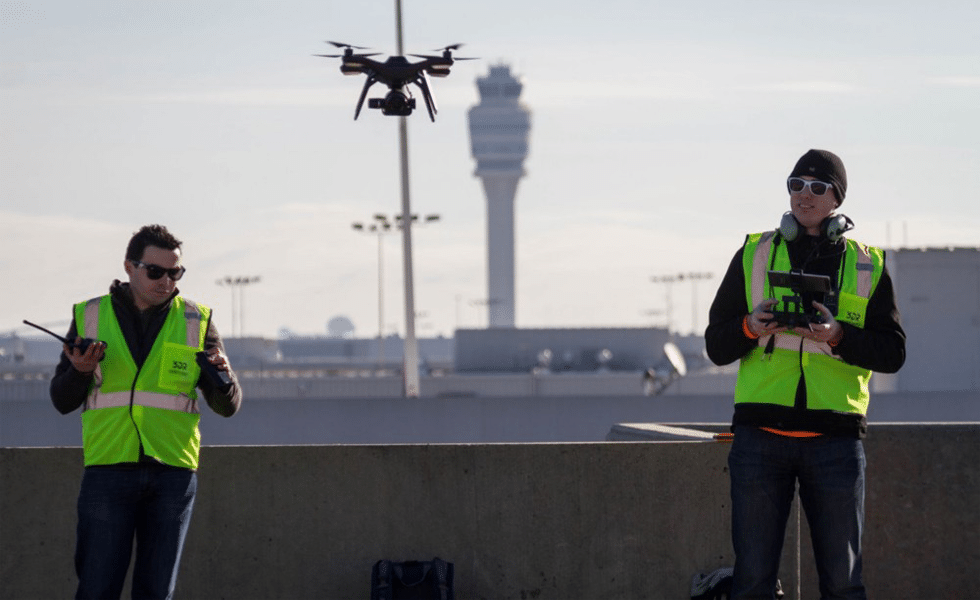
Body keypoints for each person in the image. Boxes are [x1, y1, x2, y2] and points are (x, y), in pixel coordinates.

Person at [704, 149, 905, 600]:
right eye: (796, 185)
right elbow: (716, 344)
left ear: (837, 200)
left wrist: (838, 336)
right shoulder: (755, 253)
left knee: (842, 584)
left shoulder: (867, 264)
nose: (804, 195)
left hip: (835, 441)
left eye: (817, 187)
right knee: (752, 582)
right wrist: (749, 327)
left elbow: (893, 352)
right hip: (760, 438)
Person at [50, 224, 242, 600]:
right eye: (155, 271)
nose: (166, 281)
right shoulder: (90, 316)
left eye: (175, 273)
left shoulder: (196, 321)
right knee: (96, 589)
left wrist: (222, 377)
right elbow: (61, 399)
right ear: (129, 266)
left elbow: (229, 406)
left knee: (156, 592)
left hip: (172, 472)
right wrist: (81, 372)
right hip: (108, 469)